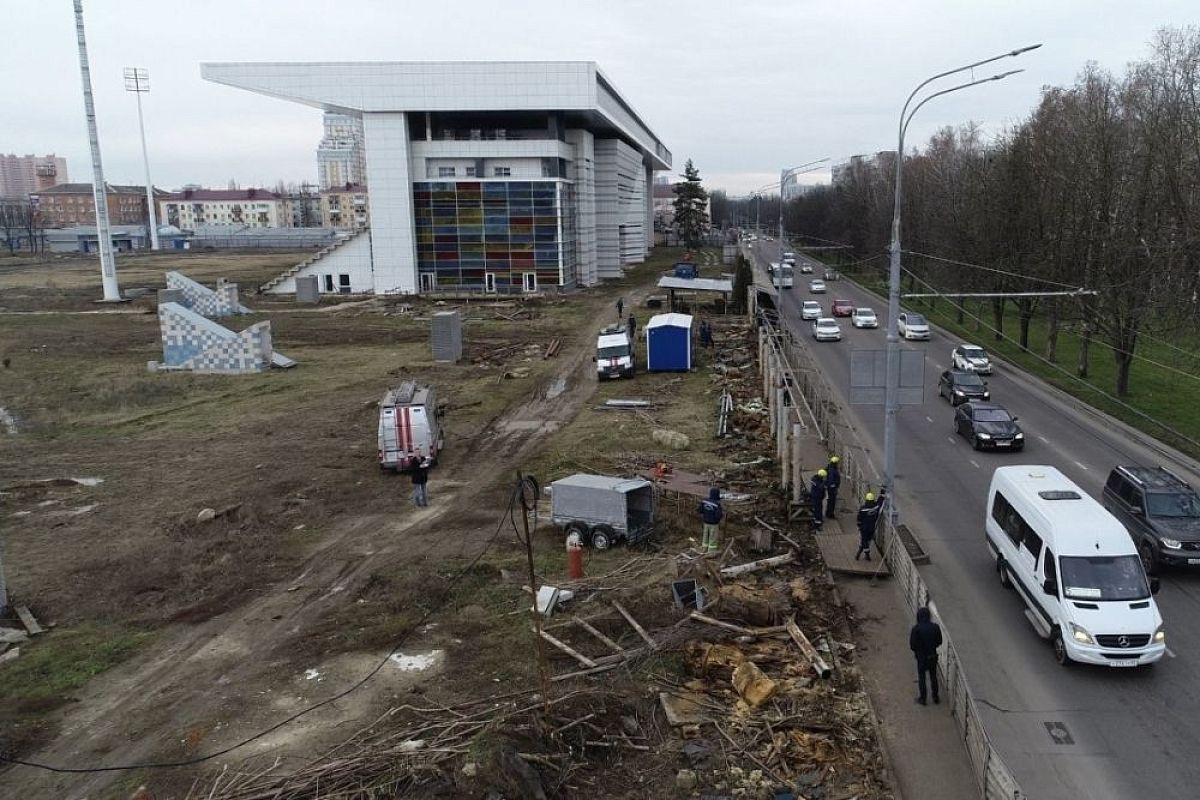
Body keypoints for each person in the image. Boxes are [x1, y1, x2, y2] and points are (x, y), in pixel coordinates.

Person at [910, 606, 943, 705]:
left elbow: (912, 645)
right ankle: (935, 697)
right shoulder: (935, 627)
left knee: (922, 677)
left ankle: (923, 699)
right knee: (933, 676)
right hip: (932, 656)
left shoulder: (916, 629)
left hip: (921, 657)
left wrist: (918, 651)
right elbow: (939, 641)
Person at [856, 491, 884, 560]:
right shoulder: (876, 507)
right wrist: (882, 494)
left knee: (864, 541)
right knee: (867, 541)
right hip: (872, 528)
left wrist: (859, 527)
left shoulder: (863, 509)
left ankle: (867, 555)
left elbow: (859, 519)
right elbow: (879, 503)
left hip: (864, 528)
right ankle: (859, 554)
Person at [698, 487, 724, 555]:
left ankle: (704, 549)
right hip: (714, 524)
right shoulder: (717, 504)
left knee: (705, 536)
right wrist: (718, 520)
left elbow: (700, 510)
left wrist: (705, 515)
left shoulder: (704, 501)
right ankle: (711, 552)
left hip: (705, 522)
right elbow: (719, 515)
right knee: (713, 537)